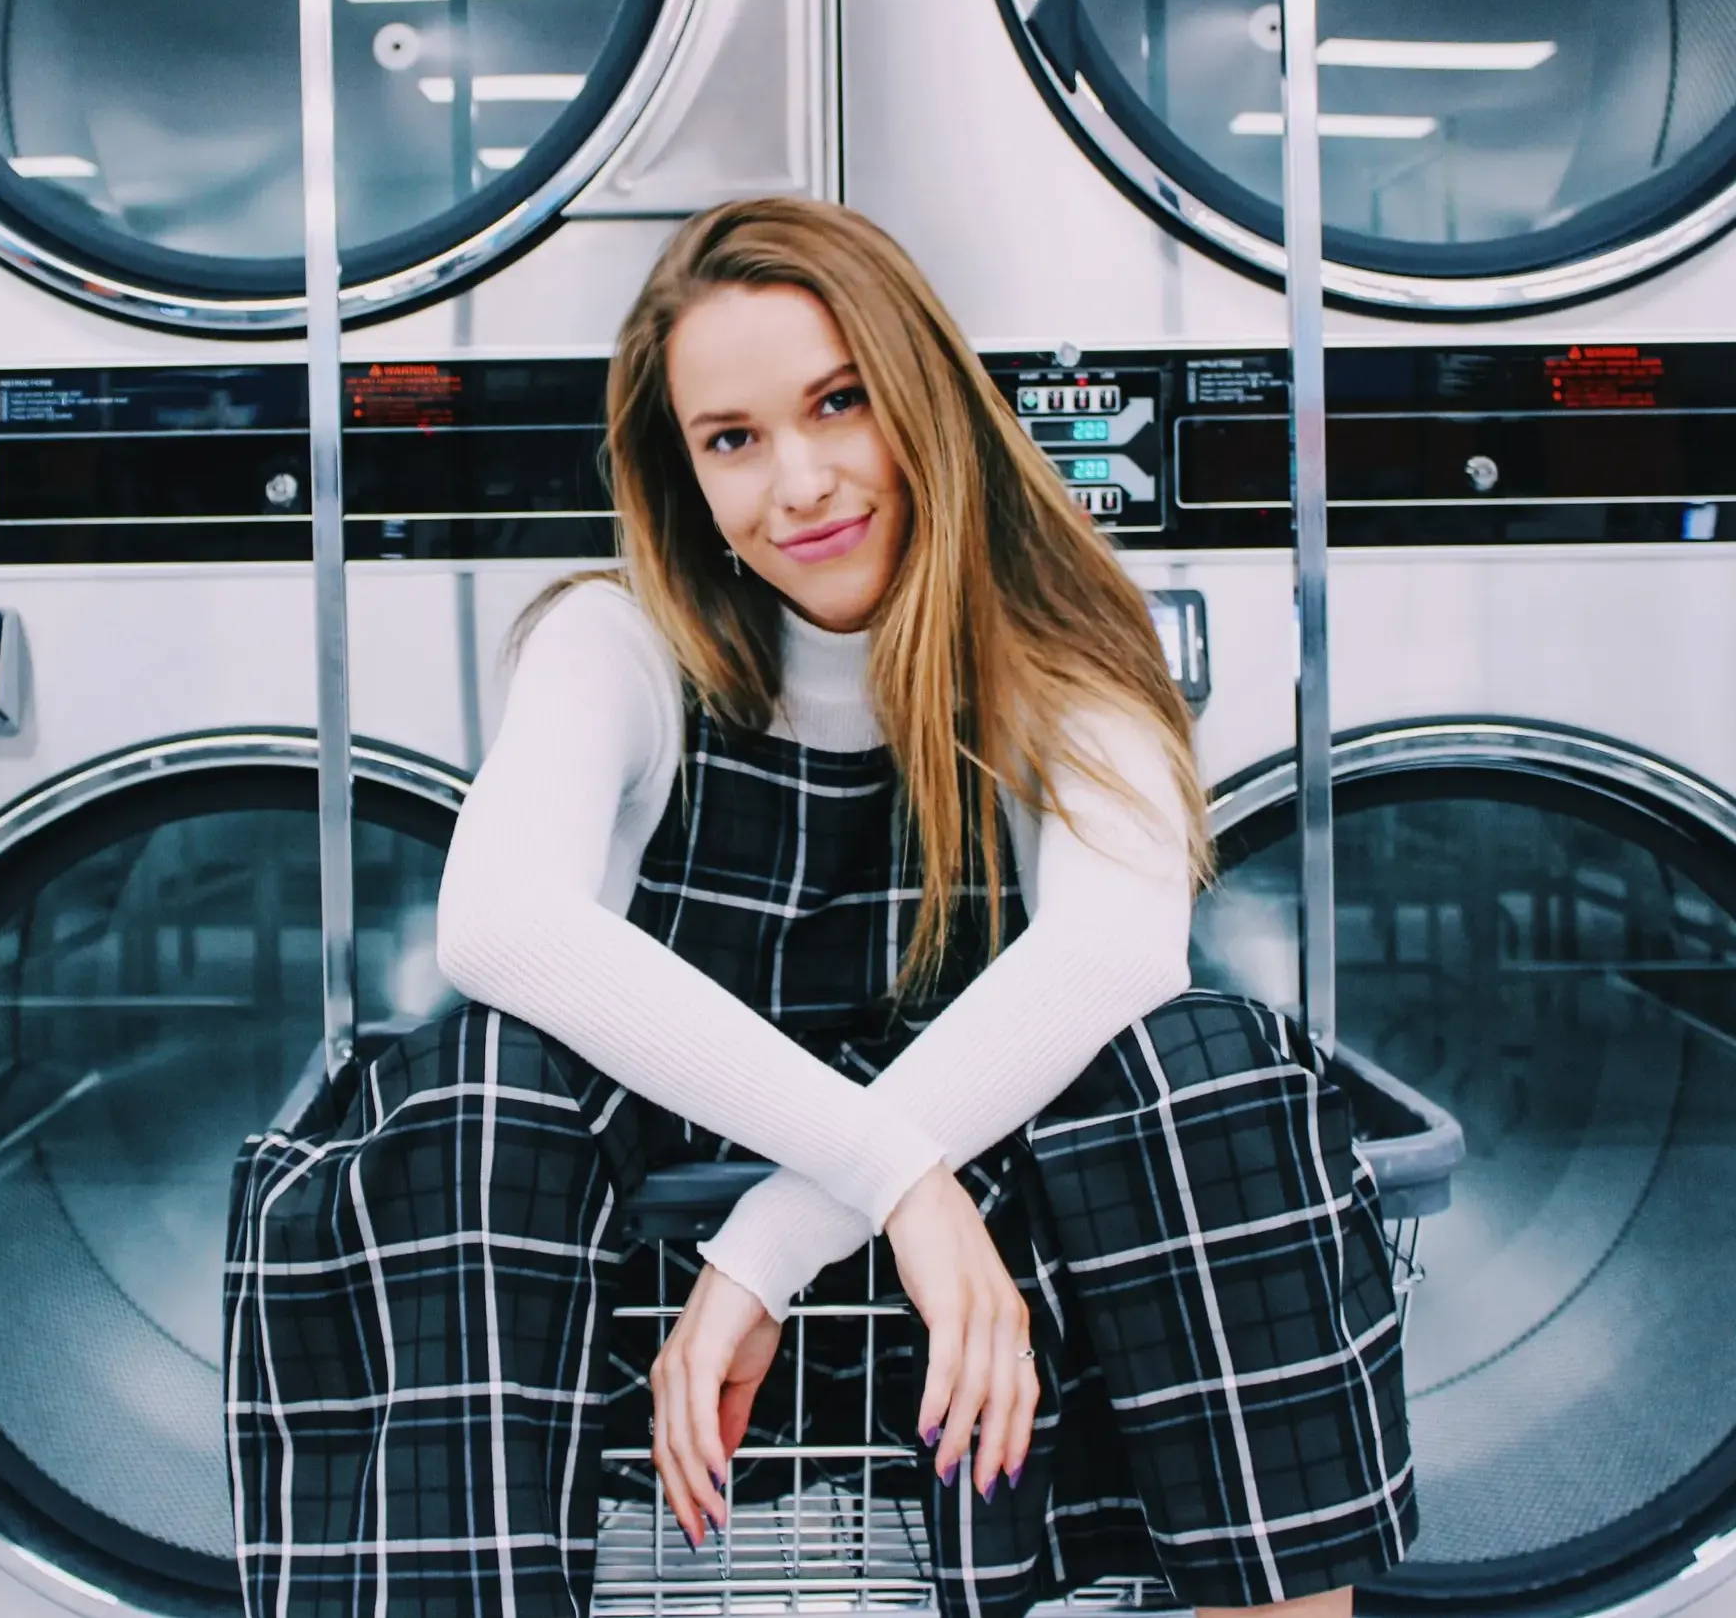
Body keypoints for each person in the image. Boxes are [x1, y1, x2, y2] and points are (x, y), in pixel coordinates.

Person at [225, 198, 1413, 1618]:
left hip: (972, 1319)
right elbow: (496, 924)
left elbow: (1114, 951)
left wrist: (786, 1241)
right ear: (685, 476)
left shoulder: (1063, 655)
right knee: (476, 1089)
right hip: (625, 1315)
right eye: (732, 440)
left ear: (922, 394)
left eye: (837, 403)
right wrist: (888, 1183)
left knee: (1197, 1066)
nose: (798, 482)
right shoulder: (615, 644)